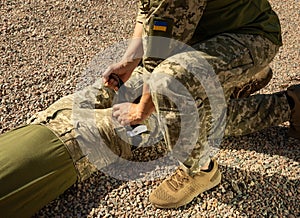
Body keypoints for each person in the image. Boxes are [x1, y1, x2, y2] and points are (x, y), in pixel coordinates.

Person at [0, 0, 299, 216]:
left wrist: (141, 110)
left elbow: (162, 69)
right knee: (132, 90)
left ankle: (202, 170)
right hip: (208, 37)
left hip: (250, 36)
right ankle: (230, 84)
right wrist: (130, 60)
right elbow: (148, 14)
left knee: (172, 89)